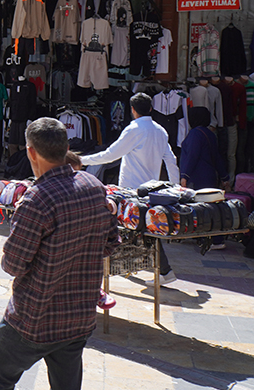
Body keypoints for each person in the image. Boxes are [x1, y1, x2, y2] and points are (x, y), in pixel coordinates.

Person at [0, 118, 117, 390]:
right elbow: (110, 243)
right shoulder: (95, 188)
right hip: (78, 317)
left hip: (33, 319)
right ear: (67, 149)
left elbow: (13, 264)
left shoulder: (37, 199)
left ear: (31, 153)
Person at [78, 92, 182, 282]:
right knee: (142, 229)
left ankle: (161, 271)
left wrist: (81, 159)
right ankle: (146, 268)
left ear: (132, 110)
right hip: (151, 190)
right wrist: (174, 188)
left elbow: (110, 155)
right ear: (151, 108)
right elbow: (171, 160)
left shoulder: (134, 129)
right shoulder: (160, 130)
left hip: (130, 190)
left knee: (135, 229)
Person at [179, 107, 230, 249]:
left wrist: (185, 176)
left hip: (198, 177)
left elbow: (192, 156)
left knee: (201, 209)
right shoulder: (210, 134)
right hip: (209, 176)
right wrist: (225, 176)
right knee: (212, 208)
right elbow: (217, 157)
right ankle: (216, 239)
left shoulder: (195, 133)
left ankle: (209, 239)